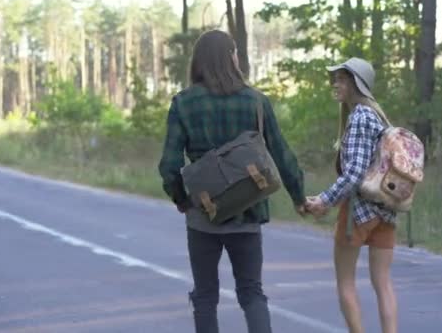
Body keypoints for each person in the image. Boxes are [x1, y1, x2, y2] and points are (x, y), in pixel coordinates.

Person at [158, 29, 307, 333]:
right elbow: (282, 154)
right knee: (251, 292)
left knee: (205, 295)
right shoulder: (256, 101)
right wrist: (299, 197)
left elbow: (169, 165)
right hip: (248, 212)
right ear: (231, 58)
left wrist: (182, 200)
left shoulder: (184, 103)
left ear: (198, 62)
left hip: (203, 215)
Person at [306, 57, 398, 333]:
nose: (336, 83)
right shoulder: (379, 117)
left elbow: (355, 173)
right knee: (383, 284)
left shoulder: (359, 116)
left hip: (358, 214)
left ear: (357, 83)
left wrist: (324, 199)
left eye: (342, 78)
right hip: (386, 211)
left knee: (345, 282)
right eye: (336, 77)